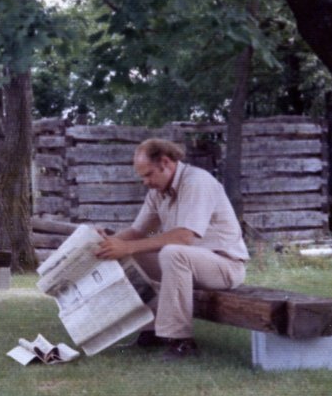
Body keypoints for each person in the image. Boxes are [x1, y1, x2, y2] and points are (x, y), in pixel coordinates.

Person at [94, 138, 249, 360]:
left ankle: (180, 341)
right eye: (142, 177)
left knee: (172, 252)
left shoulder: (196, 182)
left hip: (225, 266)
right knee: (128, 256)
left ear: (165, 163)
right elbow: (137, 232)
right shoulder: (158, 192)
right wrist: (104, 244)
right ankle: (150, 331)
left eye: (148, 174)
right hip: (192, 262)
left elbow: (184, 237)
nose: (145, 182)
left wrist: (126, 246)